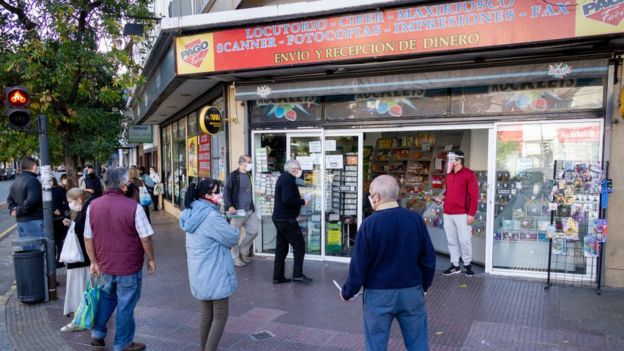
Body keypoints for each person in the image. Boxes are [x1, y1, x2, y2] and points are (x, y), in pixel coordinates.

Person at [340, 175, 436, 351]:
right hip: (412, 291)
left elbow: (359, 266)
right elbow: (429, 258)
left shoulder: (369, 225)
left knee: (375, 344)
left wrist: (348, 291)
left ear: (376, 196)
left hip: (378, 295)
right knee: (418, 343)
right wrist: (424, 285)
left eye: (370, 194)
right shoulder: (415, 219)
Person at [84, 167, 156, 351]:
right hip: (128, 266)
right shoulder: (134, 207)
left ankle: (98, 333)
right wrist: (151, 258)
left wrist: (93, 261)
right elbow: (145, 237)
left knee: (107, 297)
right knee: (126, 304)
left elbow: (88, 237)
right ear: (123, 186)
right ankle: (123, 343)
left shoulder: (93, 206)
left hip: (105, 264)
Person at [180, 179, 239, 351]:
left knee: (206, 314)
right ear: (207, 196)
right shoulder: (211, 216)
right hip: (215, 271)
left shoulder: (190, 212)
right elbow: (233, 237)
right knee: (220, 314)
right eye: (216, 191)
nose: (220, 195)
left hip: (199, 271)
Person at [436, 151, 479, 276]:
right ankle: (455, 265)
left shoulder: (469, 174)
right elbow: (448, 192)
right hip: (448, 212)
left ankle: (467, 265)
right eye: (449, 160)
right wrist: (441, 198)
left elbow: (474, 195)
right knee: (451, 240)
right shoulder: (449, 175)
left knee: (465, 240)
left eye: (452, 159)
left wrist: (471, 213)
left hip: (462, 213)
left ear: (459, 160)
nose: (450, 162)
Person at [272, 159, 312, 284]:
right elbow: (287, 199)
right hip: (286, 219)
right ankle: (297, 274)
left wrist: (298, 199)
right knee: (299, 245)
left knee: (281, 248)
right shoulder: (287, 180)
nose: (300, 170)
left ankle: (278, 276)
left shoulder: (284, 178)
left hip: (280, 218)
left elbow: (287, 197)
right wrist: (302, 202)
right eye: (299, 168)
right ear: (293, 169)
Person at [60, 188, 92, 332]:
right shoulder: (83, 210)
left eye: (70, 202)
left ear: (79, 200)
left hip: (81, 258)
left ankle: (80, 319)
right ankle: (81, 317)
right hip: (81, 258)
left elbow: (85, 234)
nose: (69, 205)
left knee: (79, 288)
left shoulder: (85, 212)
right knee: (81, 288)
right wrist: (71, 224)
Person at [224, 155, 260, 267]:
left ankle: (243, 251)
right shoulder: (233, 176)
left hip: (249, 210)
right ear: (242, 163)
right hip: (237, 212)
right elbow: (227, 192)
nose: (251, 164)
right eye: (249, 162)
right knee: (235, 236)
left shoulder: (249, 175)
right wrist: (229, 205)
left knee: (254, 231)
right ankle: (235, 258)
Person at [7, 157, 44, 249]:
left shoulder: (15, 181)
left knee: (26, 251)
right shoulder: (33, 181)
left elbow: (9, 199)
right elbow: (32, 200)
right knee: (35, 251)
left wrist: (13, 210)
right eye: (36, 165)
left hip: (21, 221)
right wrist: (18, 210)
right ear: (34, 166)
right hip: (33, 220)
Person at [51, 176, 70, 267]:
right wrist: (53, 209)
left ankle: (59, 260)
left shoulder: (59, 189)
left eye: (51, 180)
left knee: (59, 241)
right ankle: (53, 260)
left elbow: (67, 203)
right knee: (52, 242)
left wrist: (60, 210)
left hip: (59, 220)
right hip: (48, 221)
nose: (49, 182)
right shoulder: (42, 191)